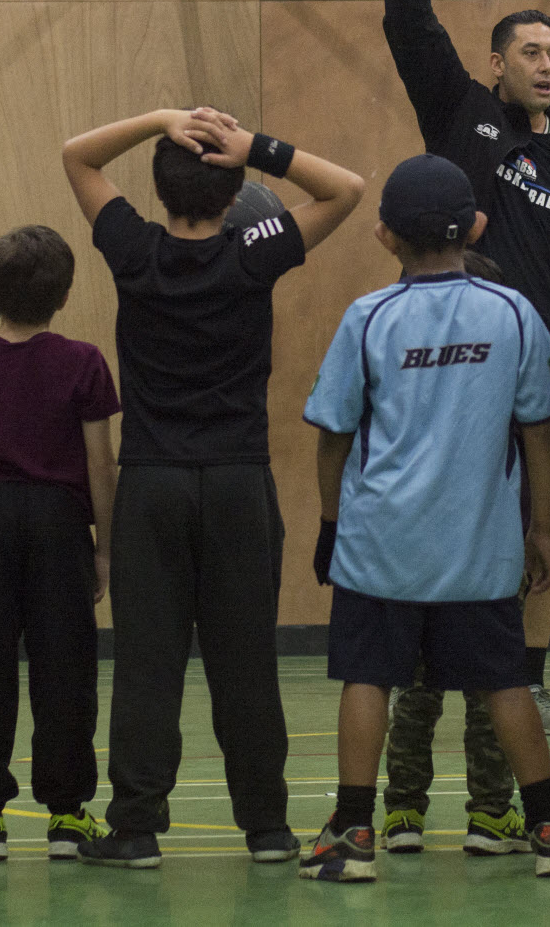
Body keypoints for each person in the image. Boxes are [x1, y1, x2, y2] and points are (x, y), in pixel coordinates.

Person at [62, 107, 363, 870]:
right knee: (247, 660)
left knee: (146, 663)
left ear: (160, 190)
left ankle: (134, 828)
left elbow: (78, 156)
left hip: (153, 484)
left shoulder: (135, 247)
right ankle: (266, 828)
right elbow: (347, 189)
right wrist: (257, 146)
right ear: (234, 195)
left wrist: (163, 117)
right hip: (236, 482)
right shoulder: (252, 251)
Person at [361, 0, 550, 733]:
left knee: (547, 533)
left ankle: (529, 679)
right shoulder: (461, 114)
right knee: (453, 517)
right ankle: (429, 680)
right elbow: (411, 30)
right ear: (497, 62)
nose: (545, 65)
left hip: (547, 379)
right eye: (529, 52)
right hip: (458, 366)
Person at [301, 154, 550, 883]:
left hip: (379, 545)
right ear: (478, 227)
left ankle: (354, 836)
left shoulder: (367, 318)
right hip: (479, 548)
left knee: (367, 677)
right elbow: (544, 429)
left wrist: (332, 521)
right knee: (506, 682)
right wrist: (544, 531)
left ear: (382, 236)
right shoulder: (514, 313)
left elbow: (334, 434)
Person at [0, 225, 119, 862]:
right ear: (64, 296)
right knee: (65, 669)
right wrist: (103, 549)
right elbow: (102, 465)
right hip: (59, 522)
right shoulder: (83, 362)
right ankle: (68, 817)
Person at [378, 249, 531, 859]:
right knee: (489, 684)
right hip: (487, 550)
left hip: (413, 546)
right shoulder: (509, 361)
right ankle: (491, 814)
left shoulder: (397, 356)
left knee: (415, 688)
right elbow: (541, 443)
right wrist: (540, 532)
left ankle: (403, 813)